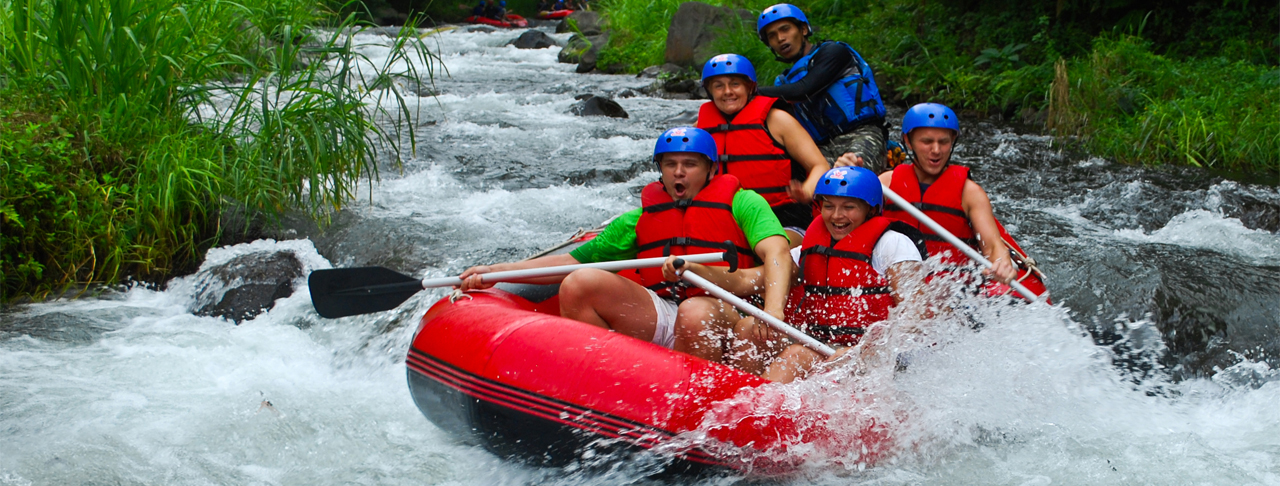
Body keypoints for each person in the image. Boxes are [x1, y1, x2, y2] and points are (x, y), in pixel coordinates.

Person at [458, 127, 793, 362]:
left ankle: (693, 408)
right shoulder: (638, 219)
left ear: (709, 170)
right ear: (659, 171)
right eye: (669, 165)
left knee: (694, 311)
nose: (679, 173)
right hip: (664, 311)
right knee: (579, 283)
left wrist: (773, 311)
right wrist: (496, 273)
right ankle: (598, 384)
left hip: (727, 314)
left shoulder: (743, 202)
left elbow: (777, 252)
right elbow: (571, 262)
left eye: (689, 164)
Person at [667, 166, 926, 383]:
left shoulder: (892, 245)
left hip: (870, 356)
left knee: (796, 357)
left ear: (870, 210)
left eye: (848, 207)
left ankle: (749, 414)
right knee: (749, 329)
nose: (836, 216)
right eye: (829, 206)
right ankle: (732, 401)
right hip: (819, 342)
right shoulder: (808, 249)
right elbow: (746, 281)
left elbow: (916, 315)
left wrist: (862, 352)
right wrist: (692, 269)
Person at [696, 53, 831, 246]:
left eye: (735, 84)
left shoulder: (777, 120)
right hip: (726, 219)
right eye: (718, 86)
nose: (727, 91)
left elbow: (820, 165)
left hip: (782, 219)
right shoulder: (701, 128)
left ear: (750, 87)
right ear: (710, 92)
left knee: (773, 249)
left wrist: (807, 191)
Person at [878, 103, 1016, 284]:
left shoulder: (970, 193)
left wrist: (1002, 264)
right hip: (897, 283)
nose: (936, 150)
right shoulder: (885, 184)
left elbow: (992, 246)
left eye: (943, 142)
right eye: (927, 142)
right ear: (909, 142)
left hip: (951, 288)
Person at [755, 4, 889, 174]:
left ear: (803, 29)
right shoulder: (783, 83)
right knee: (782, 173)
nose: (780, 38)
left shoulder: (834, 52)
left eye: (785, 29)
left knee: (847, 178)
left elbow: (804, 89)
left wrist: (751, 91)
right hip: (820, 148)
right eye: (772, 36)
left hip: (863, 135)